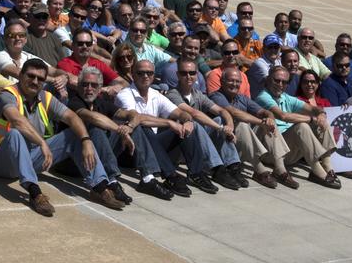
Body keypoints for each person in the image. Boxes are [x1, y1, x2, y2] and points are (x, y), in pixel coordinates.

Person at [0, 58, 125, 216]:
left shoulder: (45, 97)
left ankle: (99, 187)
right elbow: (17, 121)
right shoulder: (7, 95)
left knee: (74, 135)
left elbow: (72, 117)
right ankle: (35, 193)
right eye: (30, 76)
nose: (35, 81)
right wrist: (42, 143)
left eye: (40, 79)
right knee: (15, 133)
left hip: (30, 158)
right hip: (0, 161)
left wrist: (86, 140)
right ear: (20, 76)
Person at [115, 60, 204, 198]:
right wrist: (169, 123)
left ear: (153, 75)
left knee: (186, 128)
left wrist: (187, 121)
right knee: (144, 128)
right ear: (133, 74)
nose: (145, 76)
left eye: (149, 73)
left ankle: (196, 173)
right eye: (141, 73)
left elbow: (180, 112)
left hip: (154, 148)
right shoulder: (125, 94)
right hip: (129, 151)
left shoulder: (155, 94)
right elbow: (137, 118)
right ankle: (171, 176)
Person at [65, 65, 155, 203]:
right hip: (75, 163)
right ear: (78, 86)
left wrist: (129, 126)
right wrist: (121, 131)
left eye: (94, 85)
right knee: (96, 129)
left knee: (134, 128)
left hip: (96, 158)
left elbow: (133, 114)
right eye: (85, 84)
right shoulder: (74, 102)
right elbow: (93, 117)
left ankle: (148, 178)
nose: (89, 88)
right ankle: (112, 181)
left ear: (100, 87)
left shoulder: (101, 102)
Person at [210, 67, 297, 189]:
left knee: (269, 123)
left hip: (241, 147)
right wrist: (261, 122)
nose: (234, 84)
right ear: (222, 81)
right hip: (224, 150)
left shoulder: (242, 98)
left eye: (237, 81)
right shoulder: (216, 96)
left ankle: (280, 169)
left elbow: (264, 112)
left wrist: (269, 118)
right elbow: (234, 112)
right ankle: (259, 170)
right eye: (231, 80)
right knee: (243, 125)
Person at [165, 58, 244, 190]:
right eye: (184, 73)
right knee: (196, 124)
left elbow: (221, 110)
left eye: (192, 73)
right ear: (178, 75)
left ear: (197, 75)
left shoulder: (197, 94)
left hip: (196, 145)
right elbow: (193, 113)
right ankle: (216, 168)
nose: (188, 76)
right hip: (179, 147)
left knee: (219, 119)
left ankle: (232, 166)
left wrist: (229, 126)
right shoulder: (172, 94)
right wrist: (220, 129)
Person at [254, 67, 339, 188]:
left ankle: (327, 166)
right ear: (268, 79)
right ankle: (317, 170)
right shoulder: (263, 97)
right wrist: (311, 119)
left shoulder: (286, 97)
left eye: (284, 82)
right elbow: (282, 116)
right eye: (276, 80)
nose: (280, 84)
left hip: (289, 152)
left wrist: (321, 115)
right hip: (271, 152)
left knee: (323, 123)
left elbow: (313, 109)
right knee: (302, 126)